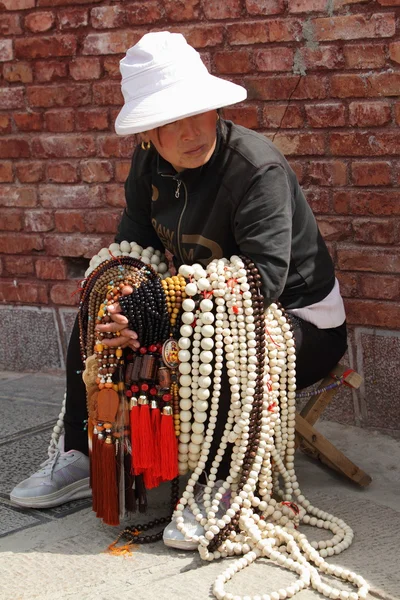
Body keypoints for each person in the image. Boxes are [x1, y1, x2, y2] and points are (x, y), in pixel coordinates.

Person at [10, 32, 347, 548]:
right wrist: (122, 304)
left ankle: (219, 485)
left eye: (200, 111)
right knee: (98, 304)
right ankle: (81, 453)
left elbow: (264, 281)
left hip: (299, 321)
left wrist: (154, 306)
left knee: (212, 337)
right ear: (148, 134)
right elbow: (131, 247)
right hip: (199, 301)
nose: (192, 131)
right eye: (172, 120)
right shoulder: (148, 166)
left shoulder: (257, 169)